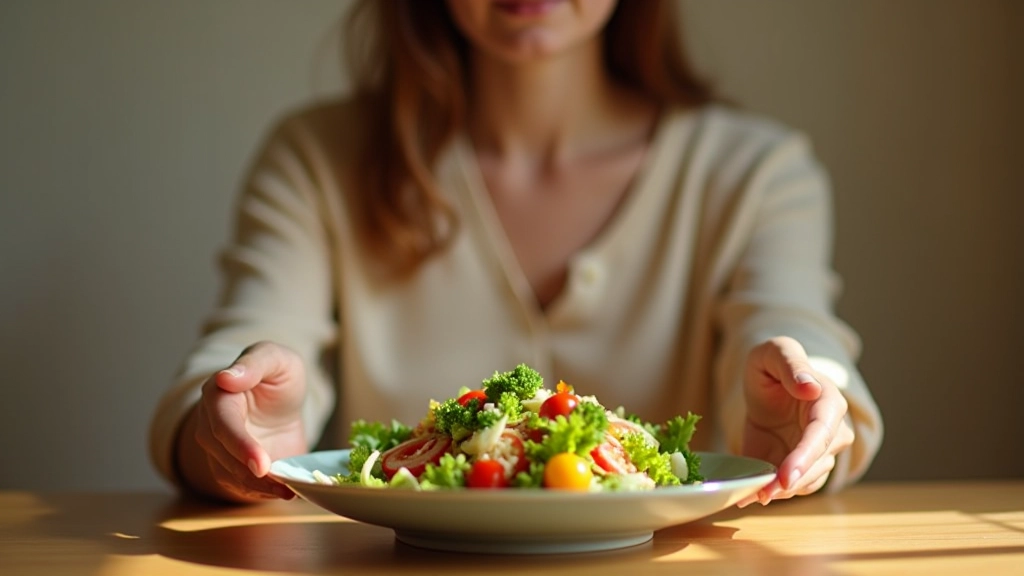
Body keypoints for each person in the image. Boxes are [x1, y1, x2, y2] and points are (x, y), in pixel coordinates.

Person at [148, 0, 883, 507]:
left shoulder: (757, 173)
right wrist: (229, 433)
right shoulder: (316, 160)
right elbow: (222, 371)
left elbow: (798, 333)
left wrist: (809, 401)